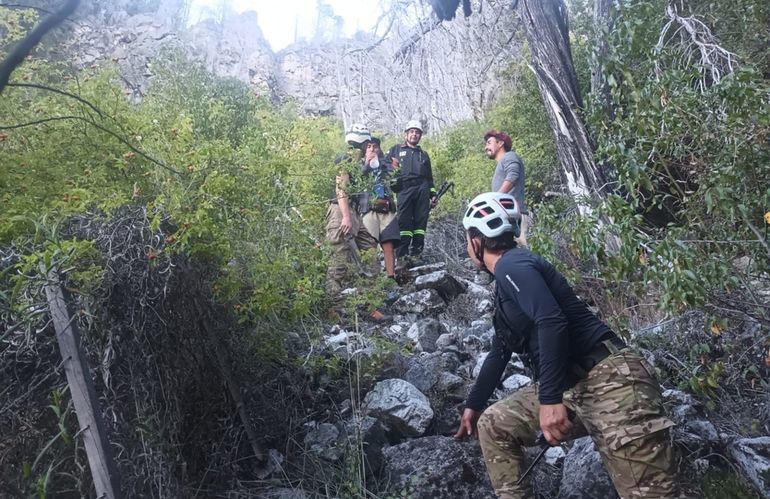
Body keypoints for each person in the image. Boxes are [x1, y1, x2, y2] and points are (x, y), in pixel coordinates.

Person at [455, 192, 679, 499]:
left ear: (476, 241)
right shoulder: (508, 283)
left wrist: (549, 400)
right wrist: (475, 405)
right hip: (573, 386)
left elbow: (551, 320)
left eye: (467, 239)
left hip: (612, 382)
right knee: (495, 424)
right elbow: (500, 348)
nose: (467, 247)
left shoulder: (512, 265)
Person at [325, 124, 379, 298]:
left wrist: (368, 165)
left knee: (369, 250)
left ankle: (369, 300)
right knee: (339, 260)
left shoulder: (356, 162)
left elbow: (357, 184)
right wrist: (346, 217)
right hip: (341, 211)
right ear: (363, 143)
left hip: (353, 212)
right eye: (367, 145)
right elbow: (342, 189)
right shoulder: (344, 159)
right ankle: (334, 307)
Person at [386, 120, 437, 264]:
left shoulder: (424, 154)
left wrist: (433, 195)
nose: (414, 134)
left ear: (420, 136)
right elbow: (384, 167)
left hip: (422, 188)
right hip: (404, 189)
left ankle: (416, 254)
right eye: (412, 132)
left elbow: (429, 178)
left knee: (421, 222)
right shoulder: (395, 150)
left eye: (417, 132)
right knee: (404, 222)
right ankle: (401, 256)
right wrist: (392, 168)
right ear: (406, 134)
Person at [360, 137, 400, 280]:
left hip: (386, 208)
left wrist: (396, 171)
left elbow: (397, 186)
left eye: (375, 146)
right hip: (368, 208)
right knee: (369, 245)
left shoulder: (386, 164)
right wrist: (366, 164)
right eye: (369, 146)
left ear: (379, 148)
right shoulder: (359, 164)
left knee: (388, 243)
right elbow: (357, 180)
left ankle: (390, 277)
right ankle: (372, 281)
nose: (372, 149)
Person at [484, 130, 531, 247]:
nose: (486, 147)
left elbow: (513, 176)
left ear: (500, 143)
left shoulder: (509, 156)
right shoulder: (502, 162)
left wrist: (495, 198)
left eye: (489, 142)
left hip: (515, 217)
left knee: (522, 251)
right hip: (508, 216)